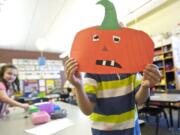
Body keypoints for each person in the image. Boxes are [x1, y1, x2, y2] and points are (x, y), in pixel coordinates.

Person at [65, 58, 161, 135]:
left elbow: (140, 100)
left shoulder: (131, 68)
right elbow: (87, 110)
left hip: (131, 129)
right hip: (103, 132)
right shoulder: (92, 73)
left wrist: (145, 86)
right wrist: (78, 86)